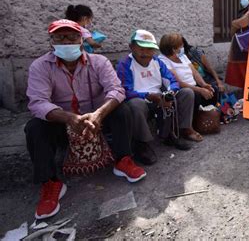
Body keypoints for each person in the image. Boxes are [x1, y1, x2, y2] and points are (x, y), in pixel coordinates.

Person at [25, 19, 146, 220]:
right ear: (51, 42)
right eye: (60, 37)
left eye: (72, 37)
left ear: (81, 40)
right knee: (35, 127)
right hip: (62, 122)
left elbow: (116, 90)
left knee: (122, 110)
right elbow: (37, 102)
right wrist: (68, 117)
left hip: (96, 118)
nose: (66, 41)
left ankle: (123, 160)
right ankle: (50, 183)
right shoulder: (40, 66)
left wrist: (99, 114)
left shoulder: (99, 62)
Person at [116, 30, 194, 159]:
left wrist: (169, 93)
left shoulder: (157, 62)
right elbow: (125, 90)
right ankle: (143, 144)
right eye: (141, 49)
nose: (146, 53)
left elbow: (172, 80)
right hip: (140, 99)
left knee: (186, 93)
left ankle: (175, 133)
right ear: (131, 47)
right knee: (135, 104)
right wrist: (147, 96)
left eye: (150, 49)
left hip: (159, 96)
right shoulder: (125, 64)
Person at [158, 33, 217, 141]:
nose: (182, 48)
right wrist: (200, 89)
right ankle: (187, 128)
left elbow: (194, 72)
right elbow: (177, 82)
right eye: (180, 46)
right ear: (173, 48)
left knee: (213, 89)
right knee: (195, 94)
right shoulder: (163, 60)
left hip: (192, 86)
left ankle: (203, 121)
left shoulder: (182, 56)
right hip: (178, 89)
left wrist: (204, 84)